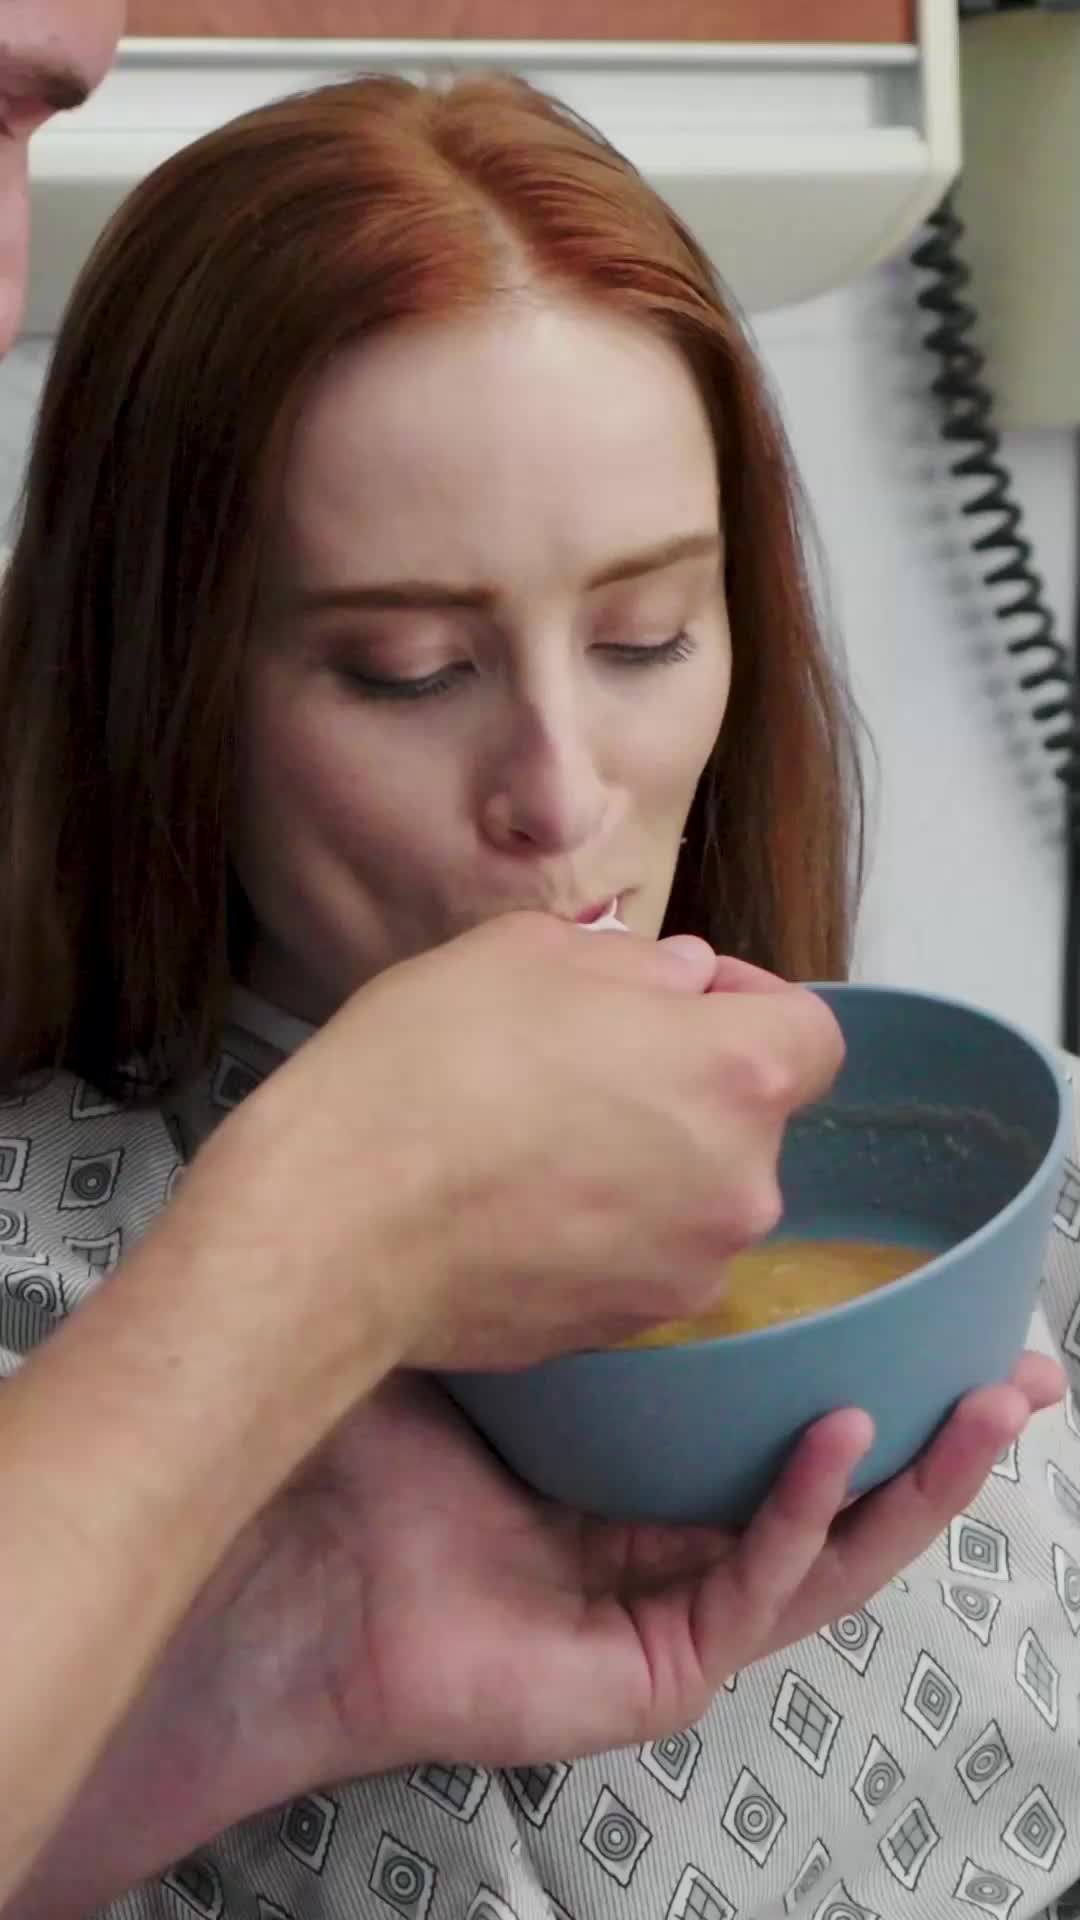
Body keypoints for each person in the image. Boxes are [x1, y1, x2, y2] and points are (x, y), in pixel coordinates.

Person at [0, 62, 1071, 1920]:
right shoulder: (43, 1293)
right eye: (409, 671)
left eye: (648, 637)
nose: (563, 798)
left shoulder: (1007, 1185)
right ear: (162, 685)